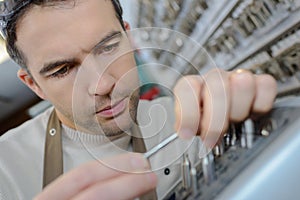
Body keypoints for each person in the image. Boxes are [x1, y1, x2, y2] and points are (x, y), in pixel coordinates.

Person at [0, 0, 277, 199]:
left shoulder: (191, 125)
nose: (103, 83)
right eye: (63, 70)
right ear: (34, 85)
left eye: (108, 47)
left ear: (129, 37)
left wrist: (256, 120)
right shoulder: (6, 170)